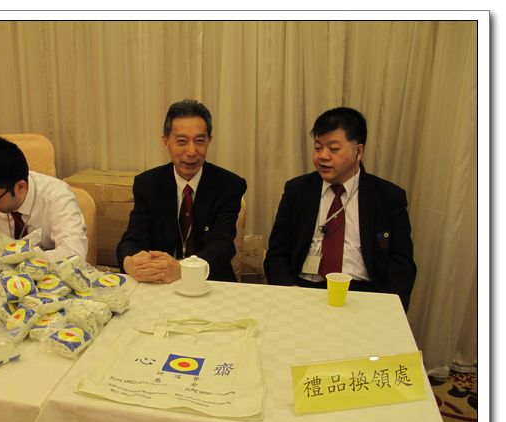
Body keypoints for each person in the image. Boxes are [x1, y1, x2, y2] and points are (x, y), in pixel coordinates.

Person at [264, 107, 417, 310]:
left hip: (364, 295)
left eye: (334, 149)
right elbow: (277, 254)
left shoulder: (387, 196)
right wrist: (290, 292)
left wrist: (386, 307)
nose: (323, 156)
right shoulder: (297, 190)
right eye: (318, 148)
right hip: (303, 290)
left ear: (358, 151)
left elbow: (401, 263)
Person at [116, 99, 246, 283]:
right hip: (160, 282)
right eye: (182, 141)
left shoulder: (229, 185)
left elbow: (223, 245)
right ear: (166, 141)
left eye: (199, 141)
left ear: (209, 141)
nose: (191, 152)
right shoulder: (147, 184)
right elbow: (132, 239)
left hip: (209, 280)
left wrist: (182, 269)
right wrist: (129, 262)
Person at [0, 137, 88, 263]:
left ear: (20, 187)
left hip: (50, 278)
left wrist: (21, 259)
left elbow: (74, 253)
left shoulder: (57, 197)